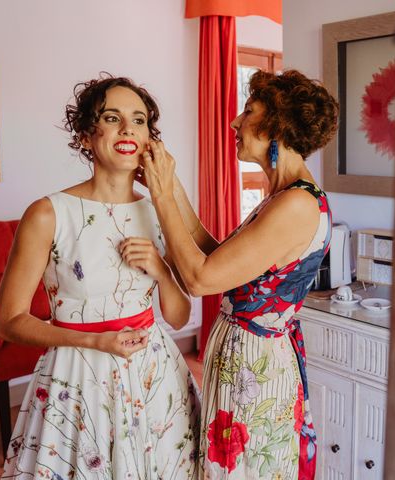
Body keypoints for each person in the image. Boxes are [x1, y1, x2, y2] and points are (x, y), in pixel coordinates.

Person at [128, 69, 338, 479]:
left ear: (277, 126)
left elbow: (201, 278)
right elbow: (218, 257)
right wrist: (170, 189)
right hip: (246, 361)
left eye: (248, 110)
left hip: (254, 370)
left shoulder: (296, 205)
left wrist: (159, 197)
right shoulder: (285, 196)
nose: (235, 122)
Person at [0, 75, 200, 479]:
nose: (128, 128)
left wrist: (160, 269)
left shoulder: (159, 210)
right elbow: (9, 320)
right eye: (112, 117)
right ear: (87, 136)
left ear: (148, 138)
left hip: (154, 378)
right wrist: (94, 340)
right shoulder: (48, 213)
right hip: (78, 375)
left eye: (139, 120)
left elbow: (177, 318)